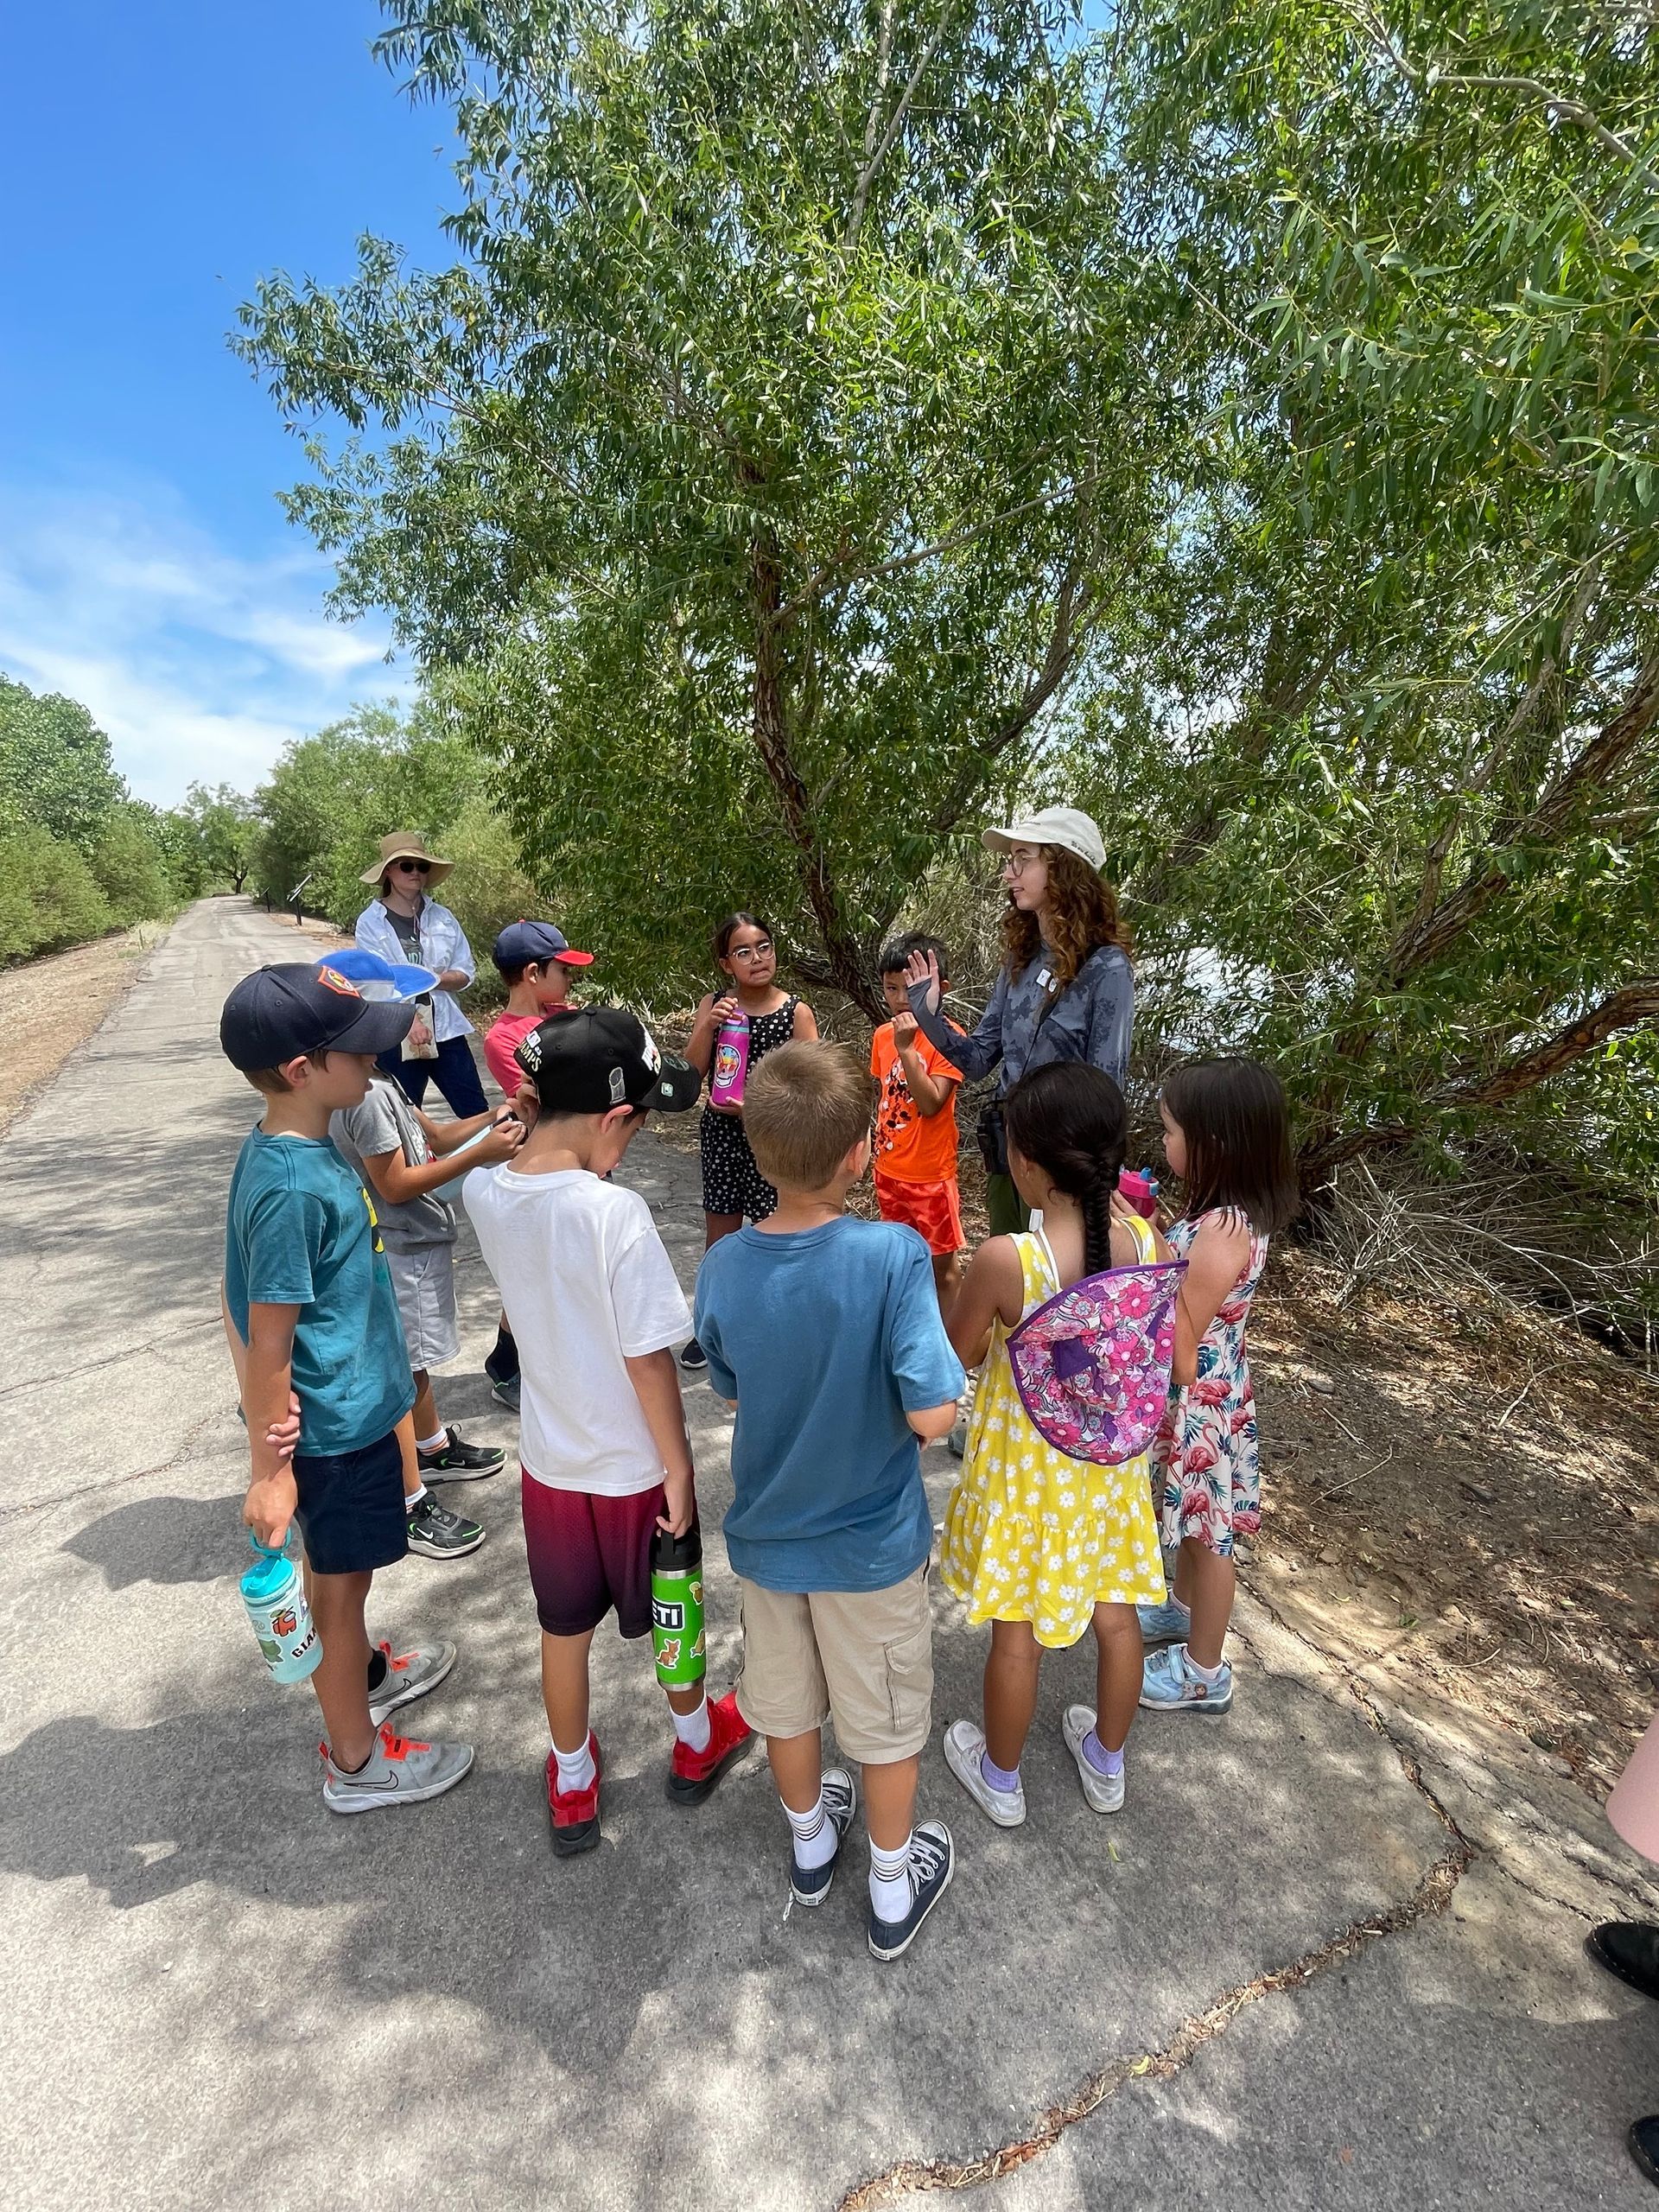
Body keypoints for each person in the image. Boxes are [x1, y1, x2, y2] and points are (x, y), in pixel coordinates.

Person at [694, 1040, 963, 1962]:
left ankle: (811, 1845)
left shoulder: (724, 1264)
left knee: (787, 1705)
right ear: (862, 1152)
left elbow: (729, 1383)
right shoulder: (892, 1254)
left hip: (769, 1539)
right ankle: (892, 1884)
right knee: (884, 1724)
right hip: (869, 1546)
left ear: (756, 1149)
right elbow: (932, 1409)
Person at [464, 1007, 753, 1856]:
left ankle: (572, 1776)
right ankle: (697, 1738)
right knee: (675, 1610)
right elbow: (650, 1363)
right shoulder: (614, 1214)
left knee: (563, 1628)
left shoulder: (485, 1189)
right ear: (614, 1117)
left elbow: (508, 1161)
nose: (629, 1145)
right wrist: (680, 1470)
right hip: (631, 1468)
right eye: (633, 1125)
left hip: (551, 1466)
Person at [219, 961, 473, 1813]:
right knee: (340, 1585)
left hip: (354, 1408)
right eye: (359, 1051)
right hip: (333, 1428)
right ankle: (357, 1760)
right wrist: (272, 1470)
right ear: (302, 1069)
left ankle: (360, 1669)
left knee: (348, 1580)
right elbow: (266, 1339)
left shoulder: (299, 1144)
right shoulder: (289, 1186)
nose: (375, 1064)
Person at [938, 1061, 1169, 1827]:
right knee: (1117, 1617)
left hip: (1027, 1484)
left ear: (1026, 1164)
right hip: (1110, 1473)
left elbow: (958, 1355)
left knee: (1019, 1633)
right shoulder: (1146, 1239)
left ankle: (1000, 1777)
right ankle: (1106, 1761)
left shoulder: (1010, 1259)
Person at [329, 1008, 524, 1560]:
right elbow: (393, 1186)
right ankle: (408, 1500)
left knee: (412, 1363)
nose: (416, 1023)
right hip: (401, 1242)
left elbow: (434, 1136)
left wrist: (494, 1116)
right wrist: (484, 1155)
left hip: (414, 1238)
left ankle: (432, 1448)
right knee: (400, 1368)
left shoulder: (380, 1077)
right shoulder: (364, 1095)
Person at [1137, 1058, 1298, 1716]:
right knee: (1198, 1523)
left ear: (1215, 1144)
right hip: (1211, 1389)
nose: (1164, 1143)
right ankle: (1180, 1610)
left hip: (1202, 1397)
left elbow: (1180, 1330)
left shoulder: (1224, 1229)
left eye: (1173, 1132)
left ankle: (1205, 1672)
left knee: (1211, 1534)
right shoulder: (1222, 1216)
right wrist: (1146, 1228)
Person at [904, 805, 1134, 1236]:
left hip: (1062, 1169)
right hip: (1010, 1155)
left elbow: (1107, 1088)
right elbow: (976, 1061)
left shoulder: (1106, 968)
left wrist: (1096, 1180)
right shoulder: (1020, 959)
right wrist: (927, 1013)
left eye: (1022, 858)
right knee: (1011, 1279)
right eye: (1010, 860)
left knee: (1050, 1287)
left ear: (1063, 866)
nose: (1009, 873)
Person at [677, 913, 817, 1372]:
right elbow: (690, 1077)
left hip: (774, 1139)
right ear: (725, 963)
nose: (757, 959)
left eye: (764, 946)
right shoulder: (715, 1004)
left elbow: (812, 1086)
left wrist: (758, 1106)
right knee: (721, 1239)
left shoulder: (795, 1012)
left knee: (777, 1234)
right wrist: (706, 1027)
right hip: (722, 1136)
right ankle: (710, 1330)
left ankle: (777, 1327)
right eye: (743, 951)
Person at [480, 918, 594, 1411]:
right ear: (532, 973)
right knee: (536, 1269)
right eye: (563, 970)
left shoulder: (566, 1015)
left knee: (567, 1263)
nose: (570, 981)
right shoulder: (503, 1039)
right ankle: (511, 1364)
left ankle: (524, 1357)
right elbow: (553, 1097)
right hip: (542, 1169)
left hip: (586, 1158)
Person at [353, 833, 488, 1118]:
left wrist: (433, 980)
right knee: (404, 1119)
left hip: (446, 1029)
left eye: (421, 866)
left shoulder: (443, 917)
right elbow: (378, 983)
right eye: (406, 865)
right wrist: (409, 1019)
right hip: (396, 1034)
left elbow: (466, 973)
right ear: (389, 871)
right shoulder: (370, 923)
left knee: (477, 1115)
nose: (415, 872)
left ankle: (488, 1162)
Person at [871, 932, 966, 1314]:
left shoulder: (950, 1038)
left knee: (942, 1269)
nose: (898, 999)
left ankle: (951, 1349)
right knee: (899, 1261)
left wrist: (908, 1048)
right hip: (889, 1170)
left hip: (930, 1176)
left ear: (939, 988)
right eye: (890, 988)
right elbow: (882, 1096)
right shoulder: (882, 1036)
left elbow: (930, 1103)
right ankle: (909, 1330)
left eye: (910, 989)